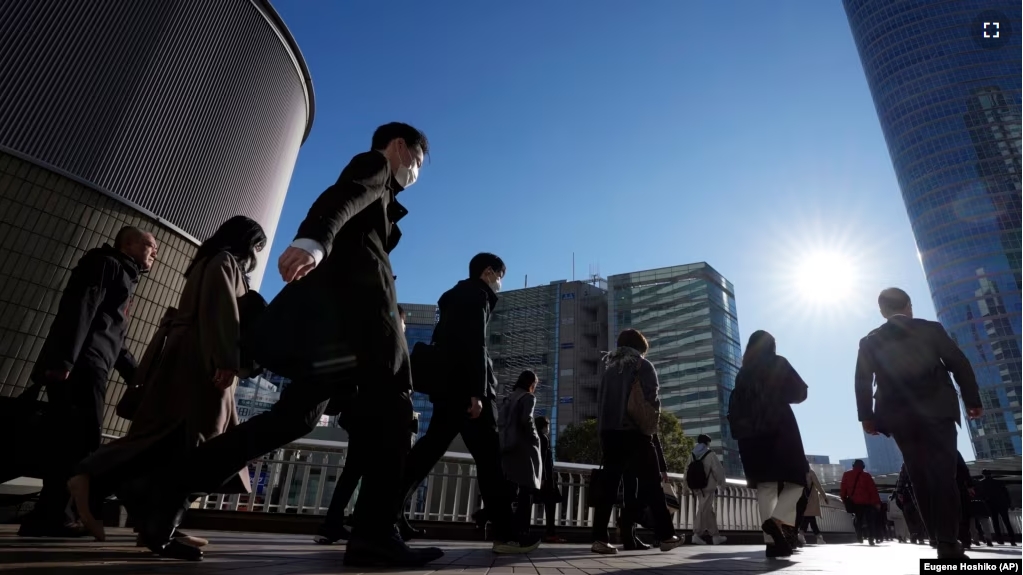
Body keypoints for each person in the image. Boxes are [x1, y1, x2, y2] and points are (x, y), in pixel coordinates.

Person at [133, 123, 443, 567]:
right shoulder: (375, 164)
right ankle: (374, 535)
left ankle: (167, 487)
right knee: (394, 406)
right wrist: (313, 240)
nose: (415, 171)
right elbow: (344, 194)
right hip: (361, 323)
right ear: (399, 147)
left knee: (291, 420)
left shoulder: (387, 202)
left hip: (332, 336)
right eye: (416, 161)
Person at [66, 216, 265, 551]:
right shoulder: (224, 263)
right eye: (256, 245)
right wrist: (228, 360)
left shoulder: (206, 261)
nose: (256, 253)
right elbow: (223, 311)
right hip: (202, 362)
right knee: (194, 441)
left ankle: (154, 523)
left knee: (171, 440)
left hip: (188, 357)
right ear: (246, 242)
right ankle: (95, 476)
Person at [18, 226, 158, 538]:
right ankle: (56, 516)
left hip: (89, 364)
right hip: (81, 366)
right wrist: (64, 360)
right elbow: (80, 307)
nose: (155, 253)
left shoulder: (124, 276)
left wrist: (140, 378)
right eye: (150, 246)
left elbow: (115, 340)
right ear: (129, 243)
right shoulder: (107, 264)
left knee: (70, 441)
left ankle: (48, 516)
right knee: (79, 441)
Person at [397, 253, 539, 555]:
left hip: (448, 389)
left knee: (426, 452)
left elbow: (448, 341)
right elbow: (475, 344)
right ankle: (506, 535)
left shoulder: (452, 297)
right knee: (491, 462)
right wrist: (476, 391)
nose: (500, 283)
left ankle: (379, 515)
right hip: (469, 393)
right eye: (500, 276)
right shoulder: (477, 295)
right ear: (489, 272)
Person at [854, 287, 983, 559]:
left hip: (900, 416)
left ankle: (937, 538)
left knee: (919, 475)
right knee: (943, 476)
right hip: (937, 411)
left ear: (882, 311)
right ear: (909, 306)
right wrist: (972, 400)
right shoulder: (930, 329)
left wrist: (867, 417)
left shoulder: (870, 340)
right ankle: (948, 541)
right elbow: (959, 363)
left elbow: (862, 381)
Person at [313, 304, 410, 545]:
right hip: (372, 417)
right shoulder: (387, 344)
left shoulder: (368, 340)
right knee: (367, 470)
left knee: (355, 470)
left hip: (358, 416)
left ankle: (337, 523)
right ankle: (350, 523)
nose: (405, 328)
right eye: (404, 322)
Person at [590, 329, 681, 555]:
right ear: (640, 347)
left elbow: (600, 406)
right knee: (651, 484)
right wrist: (650, 426)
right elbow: (652, 401)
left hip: (610, 434)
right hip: (635, 433)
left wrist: (603, 435)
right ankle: (667, 535)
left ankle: (599, 539)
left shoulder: (608, 370)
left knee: (608, 487)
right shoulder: (643, 365)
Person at [728, 330, 809, 558]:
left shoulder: (742, 373)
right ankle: (776, 521)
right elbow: (798, 392)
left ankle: (772, 542)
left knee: (765, 487)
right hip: (779, 428)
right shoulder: (777, 362)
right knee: (797, 481)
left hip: (751, 434)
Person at [499, 370, 543, 544]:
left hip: (508, 447)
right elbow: (527, 419)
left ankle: (507, 531)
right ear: (531, 383)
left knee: (511, 490)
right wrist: (535, 437)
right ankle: (522, 532)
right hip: (524, 448)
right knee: (527, 490)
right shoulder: (528, 398)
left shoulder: (509, 398)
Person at [688, 434, 726, 545]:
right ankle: (697, 534)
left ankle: (715, 536)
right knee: (703, 510)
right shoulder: (710, 454)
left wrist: (686, 487)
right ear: (707, 443)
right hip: (707, 488)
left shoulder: (692, 454)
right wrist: (722, 485)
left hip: (696, 487)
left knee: (708, 510)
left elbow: (686, 470)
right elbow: (719, 471)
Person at [534, 416, 563, 544]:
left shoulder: (536, 437)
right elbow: (544, 460)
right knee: (550, 506)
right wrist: (545, 477)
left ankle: (549, 533)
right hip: (546, 479)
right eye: (548, 425)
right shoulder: (543, 439)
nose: (549, 428)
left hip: (541, 477)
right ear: (544, 425)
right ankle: (550, 533)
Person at [840, 460, 881, 545]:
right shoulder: (866, 476)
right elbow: (873, 490)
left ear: (853, 466)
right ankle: (871, 537)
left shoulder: (847, 474)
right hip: (867, 502)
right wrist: (877, 502)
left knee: (858, 518)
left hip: (854, 502)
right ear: (863, 466)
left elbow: (843, 488)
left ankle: (859, 536)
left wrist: (844, 499)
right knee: (870, 520)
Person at [977, 469, 1016, 546]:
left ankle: (1000, 539)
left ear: (983, 475)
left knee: (995, 522)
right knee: (1007, 522)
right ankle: (1012, 540)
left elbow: (980, 495)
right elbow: (1006, 493)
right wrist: (1010, 504)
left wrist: (985, 500)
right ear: (991, 474)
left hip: (990, 505)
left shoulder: (981, 483)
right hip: (1002, 504)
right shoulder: (999, 482)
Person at [800, 465, 827, 544]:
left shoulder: (799, 473)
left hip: (802, 499)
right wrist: (825, 497)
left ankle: (803, 534)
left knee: (809, 517)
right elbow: (818, 486)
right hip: (811, 499)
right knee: (810, 517)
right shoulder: (811, 472)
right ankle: (818, 537)